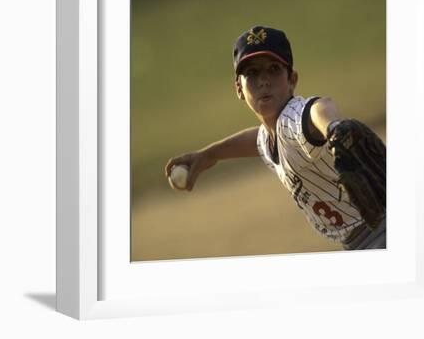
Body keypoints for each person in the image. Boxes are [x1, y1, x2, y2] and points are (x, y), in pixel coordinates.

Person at [165, 26, 386, 250]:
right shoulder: (271, 134)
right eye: (251, 73)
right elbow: (257, 140)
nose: (264, 80)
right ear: (238, 89)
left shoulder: (294, 118)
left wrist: (332, 127)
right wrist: (208, 155)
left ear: (292, 79)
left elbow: (317, 109)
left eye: (273, 69)